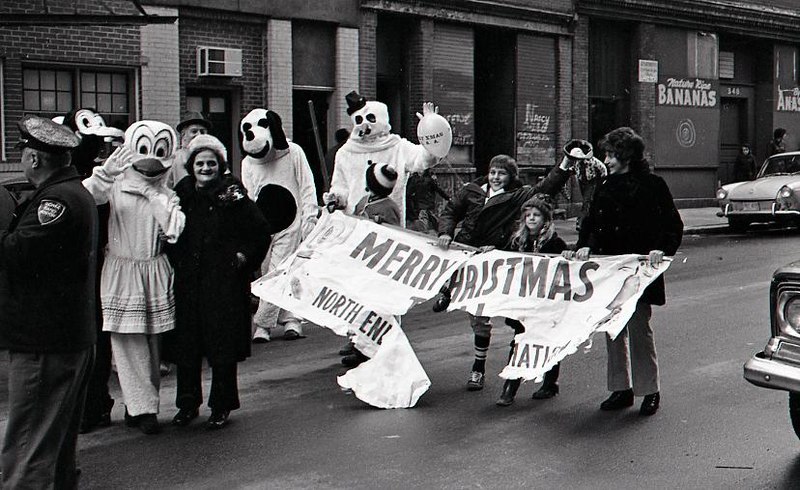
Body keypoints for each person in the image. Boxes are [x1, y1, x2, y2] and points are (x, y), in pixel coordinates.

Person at [0, 115, 96, 488]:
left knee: (28, 447)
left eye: (24, 152)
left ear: (35, 160)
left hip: (45, 342)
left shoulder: (54, 201)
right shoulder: (70, 193)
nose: (23, 159)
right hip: (63, 338)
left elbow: (19, 253)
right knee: (55, 446)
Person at [565, 126, 683, 417]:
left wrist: (661, 249)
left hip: (639, 269)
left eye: (611, 154)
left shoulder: (653, 184)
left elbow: (673, 225)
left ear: (626, 156)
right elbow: (592, 223)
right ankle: (621, 388)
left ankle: (649, 390)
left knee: (638, 328)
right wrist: (584, 246)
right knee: (612, 327)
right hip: (608, 268)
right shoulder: (605, 186)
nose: (606, 159)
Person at [435, 154, 574, 391]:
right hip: (468, 257)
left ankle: (480, 369)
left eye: (502, 173)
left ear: (510, 177)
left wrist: (565, 165)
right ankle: (448, 289)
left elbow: (546, 187)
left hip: (494, 261)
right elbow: (450, 212)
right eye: (493, 172)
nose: (496, 178)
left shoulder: (516, 196)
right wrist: (445, 232)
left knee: (488, 313)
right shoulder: (471, 190)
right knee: (476, 315)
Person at [83, 120, 186, 435]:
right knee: (126, 342)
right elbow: (88, 196)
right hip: (121, 270)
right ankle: (143, 409)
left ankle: (140, 405)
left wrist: (153, 195)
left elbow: (173, 229)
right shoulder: (113, 186)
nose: (150, 159)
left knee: (153, 343)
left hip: (153, 270)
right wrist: (106, 172)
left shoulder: (167, 195)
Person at [164, 135, 271, 430]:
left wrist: (242, 257)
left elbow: (260, 230)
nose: (206, 168)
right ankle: (187, 405)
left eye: (211, 163)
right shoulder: (183, 192)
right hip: (189, 282)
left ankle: (221, 406)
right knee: (187, 347)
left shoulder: (232, 194)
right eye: (200, 163)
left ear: (220, 166)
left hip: (222, 284)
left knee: (221, 348)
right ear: (191, 166)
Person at [496, 194, 568, 406]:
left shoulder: (555, 243)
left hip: (546, 303)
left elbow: (566, 266)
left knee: (548, 342)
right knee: (519, 342)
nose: (532, 219)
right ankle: (510, 386)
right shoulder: (517, 241)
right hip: (525, 304)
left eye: (537, 215)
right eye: (528, 215)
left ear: (545, 219)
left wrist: (568, 255)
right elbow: (503, 258)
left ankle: (550, 382)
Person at [339, 161, 402, 367]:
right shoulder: (363, 201)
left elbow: (395, 235)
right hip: (361, 262)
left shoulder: (389, 207)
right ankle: (359, 344)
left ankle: (377, 347)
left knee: (379, 307)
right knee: (361, 304)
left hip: (379, 263)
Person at [167, 111, 213, 188]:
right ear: (183, 134)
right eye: (194, 131)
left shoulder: (213, 158)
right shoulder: (173, 160)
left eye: (202, 131)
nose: (199, 135)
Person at [406, 168, 451, 232]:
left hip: (425, 204)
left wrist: (448, 198)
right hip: (423, 205)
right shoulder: (417, 178)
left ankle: (440, 231)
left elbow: (438, 189)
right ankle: (439, 231)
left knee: (431, 220)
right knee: (428, 220)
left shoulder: (425, 178)